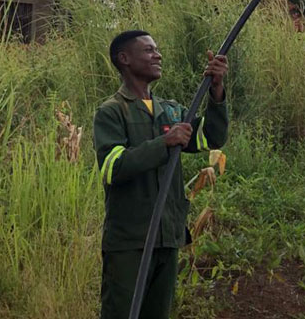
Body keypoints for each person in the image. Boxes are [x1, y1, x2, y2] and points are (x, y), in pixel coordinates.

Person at [93, 30, 228, 319]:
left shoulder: (173, 111)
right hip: (131, 241)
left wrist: (216, 91)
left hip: (168, 238)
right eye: (149, 50)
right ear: (124, 58)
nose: (158, 55)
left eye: (157, 49)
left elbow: (211, 137)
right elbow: (112, 168)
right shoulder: (112, 112)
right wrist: (163, 143)